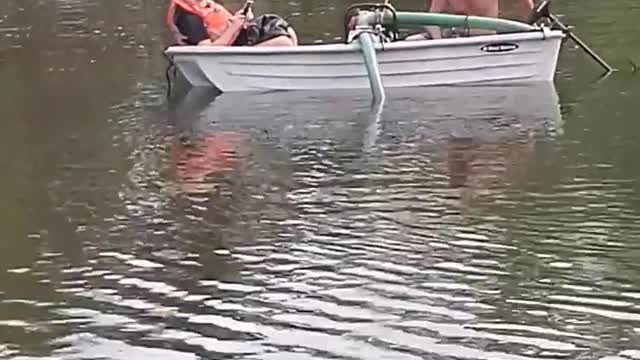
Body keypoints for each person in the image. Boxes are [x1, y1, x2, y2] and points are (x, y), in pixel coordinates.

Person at [166, 0, 297, 47]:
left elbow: (223, 24)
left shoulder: (204, 4)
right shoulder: (188, 18)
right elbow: (207, 48)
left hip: (242, 34)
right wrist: (235, 27)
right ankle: (249, 57)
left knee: (283, 28)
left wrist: (241, 19)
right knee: (284, 42)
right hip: (236, 44)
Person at [406, 0, 535, 40]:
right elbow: (431, 19)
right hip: (457, 39)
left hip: (488, 36)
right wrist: (438, 42)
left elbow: (526, 4)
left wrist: (531, 24)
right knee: (410, 41)